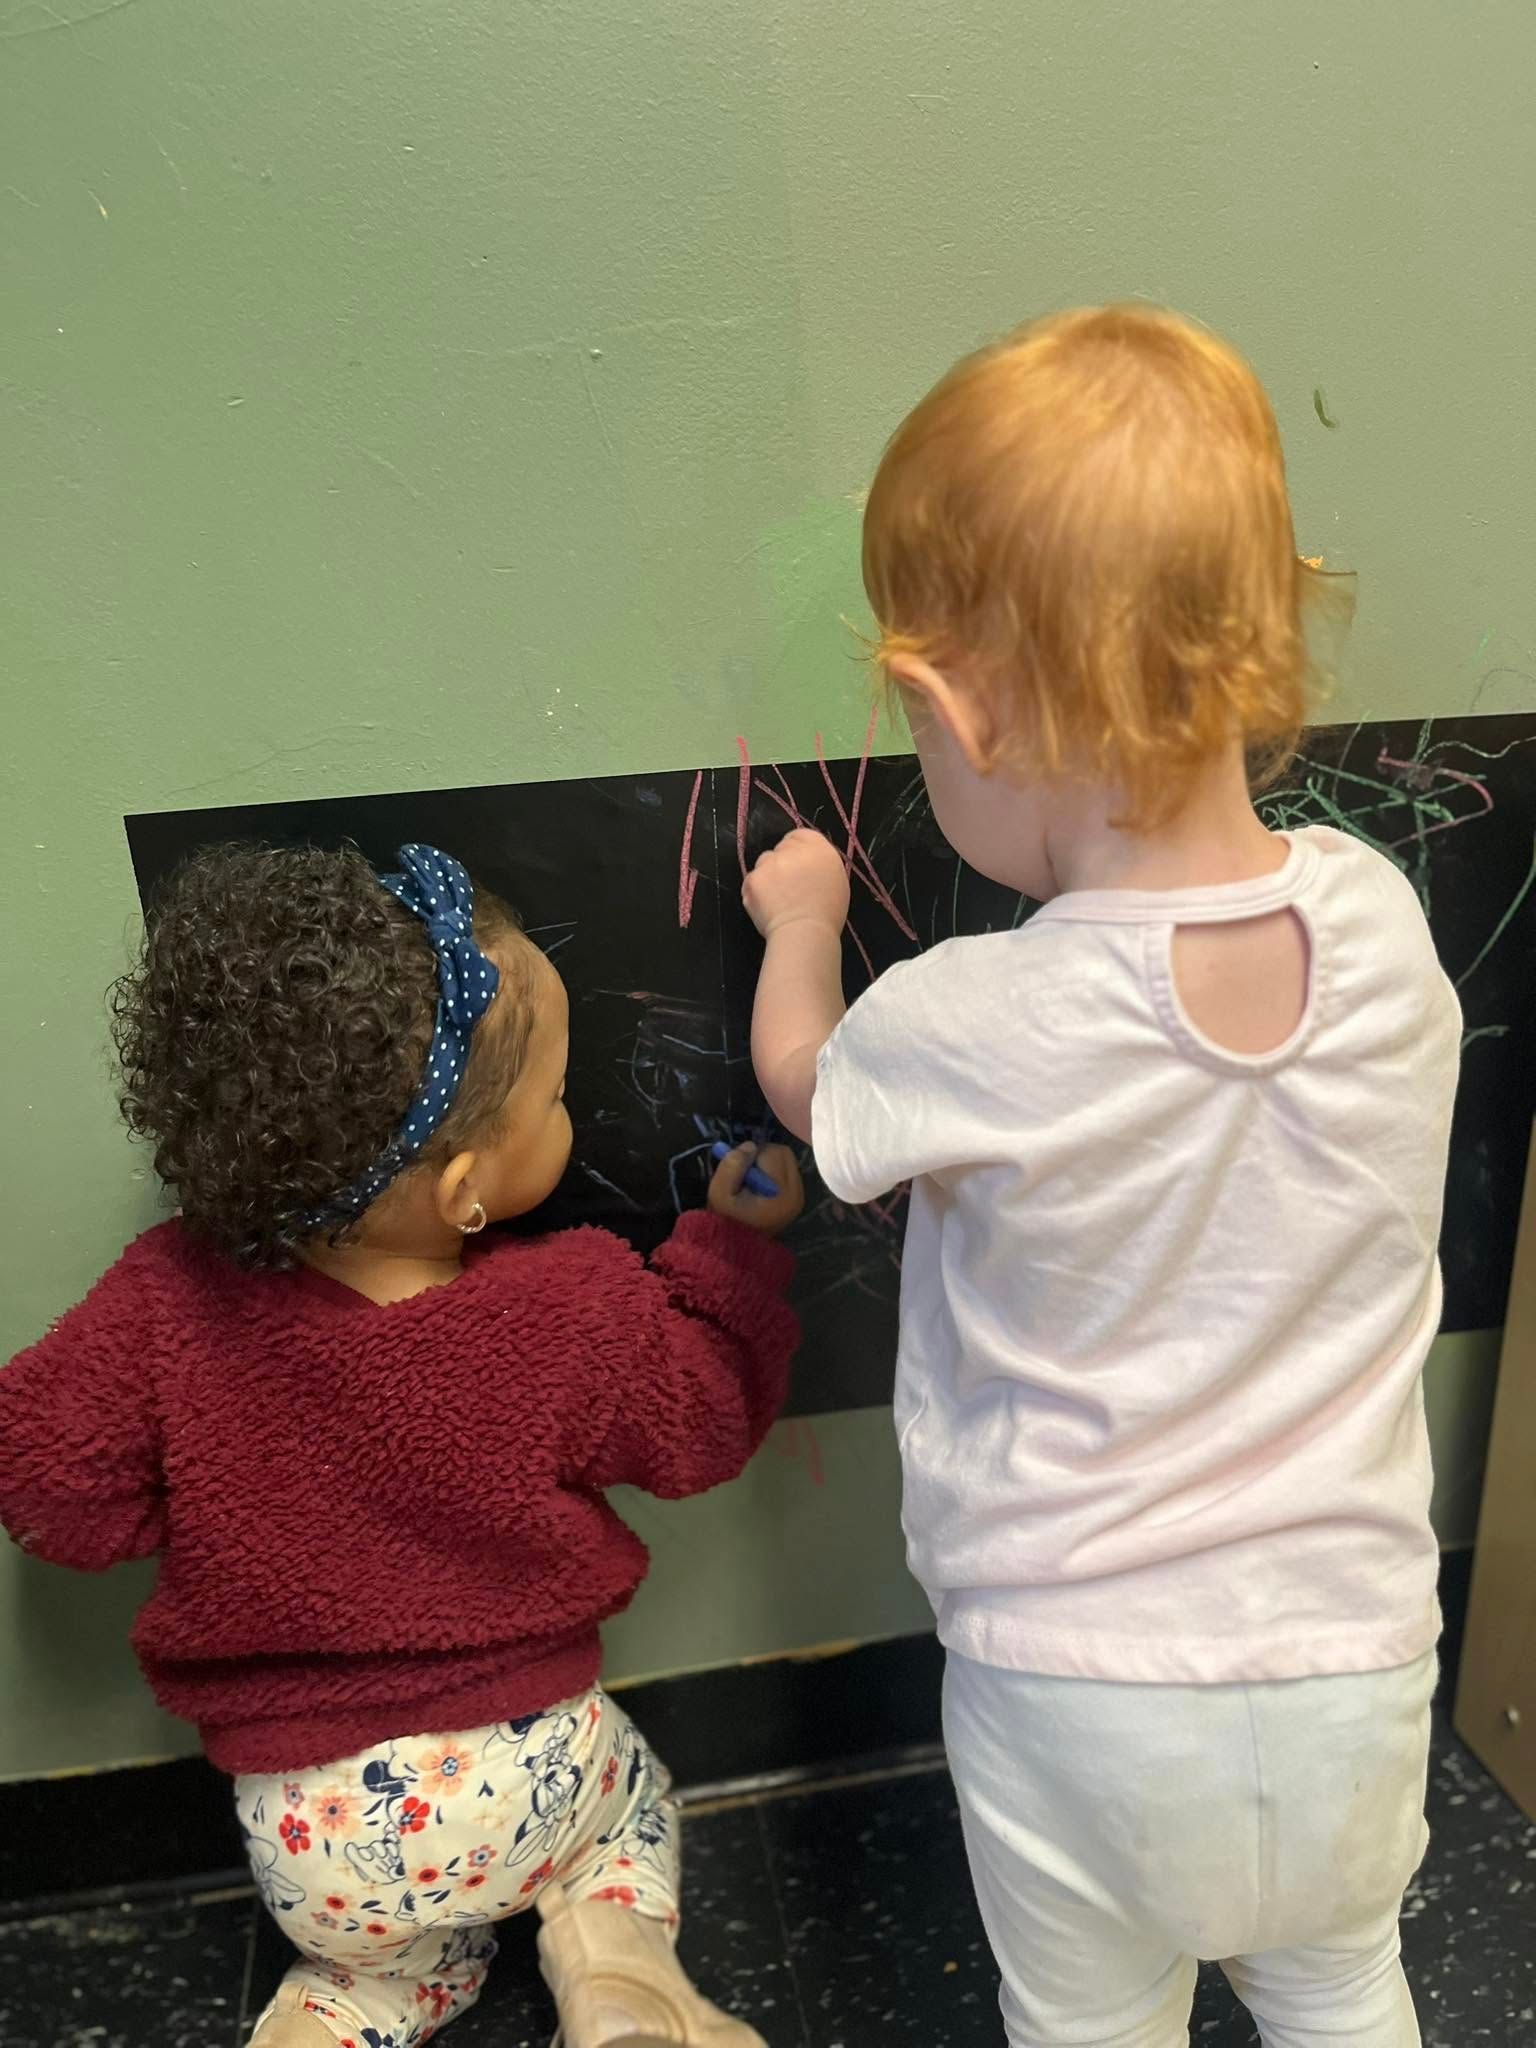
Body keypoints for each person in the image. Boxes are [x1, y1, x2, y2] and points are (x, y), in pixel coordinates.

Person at [743, 305, 1459, 2048]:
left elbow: (808, 1089)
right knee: (1341, 1980)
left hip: (1077, 1688)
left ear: (950, 705)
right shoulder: (1378, 925)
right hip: (1356, 1654)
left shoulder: (976, 1017)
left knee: (1089, 2022)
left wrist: (806, 921)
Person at [0, 840, 803, 2048]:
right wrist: (734, 1252)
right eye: (555, 1096)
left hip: (316, 1839)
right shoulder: (571, 1305)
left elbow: (56, 1495)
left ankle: (342, 2008)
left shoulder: (164, 1301)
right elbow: (703, 1421)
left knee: (377, 1960)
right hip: (537, 1770)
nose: (569, 1116)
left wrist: (214, 1477)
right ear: (469, 1187)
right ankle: (615, 1957)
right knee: (623, 1813)